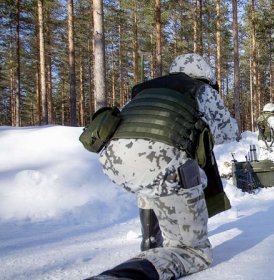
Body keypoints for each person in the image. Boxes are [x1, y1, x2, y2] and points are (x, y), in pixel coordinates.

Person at [87, 53, 238, 280]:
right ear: (205, 74)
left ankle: (151, 240)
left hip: (113, 160)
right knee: (193, 252)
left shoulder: (146, 89)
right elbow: (230, 132)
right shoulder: (203, 90)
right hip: (164, 164)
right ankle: (123, 276)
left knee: (153, 173)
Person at [256, 103, 274, 179]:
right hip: (271, 142)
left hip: (262, 142)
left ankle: (262, 177)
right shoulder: (272, 118)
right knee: (273, 159)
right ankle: (272, 177)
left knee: (263, 159)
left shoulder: (260, 118)